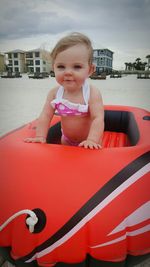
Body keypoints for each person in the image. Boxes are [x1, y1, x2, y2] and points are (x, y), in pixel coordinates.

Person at [24, 32, 104, 149]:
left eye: (77, 67)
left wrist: (92, 140)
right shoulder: (54, 93)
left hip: (89, 141)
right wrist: (40, 136)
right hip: (66, 140)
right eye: (61, 66)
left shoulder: (92, 93)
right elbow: (45, 115)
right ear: (53, 68)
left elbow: (98, 118)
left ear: (90, 70)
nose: (67, 72)